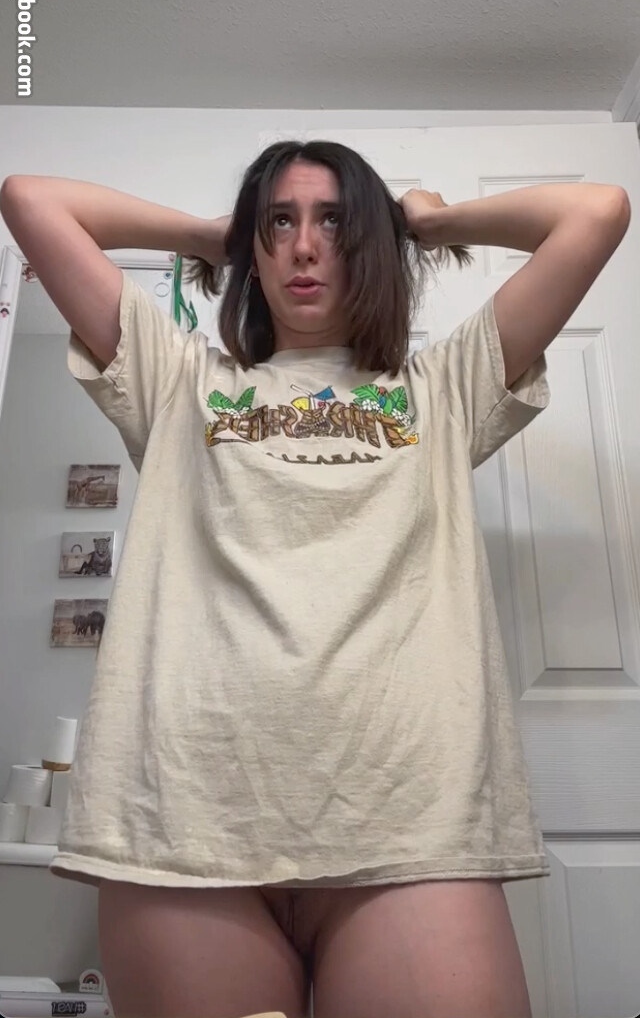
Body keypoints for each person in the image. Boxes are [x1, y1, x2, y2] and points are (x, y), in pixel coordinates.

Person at [0, 144, 629, 1018]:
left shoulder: (444, 388)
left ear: (368, 242)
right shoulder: (177, 380)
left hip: (410, 830)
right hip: (186, 828)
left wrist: (429, 222)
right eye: (279, 222)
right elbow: (30, 198)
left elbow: (596, 213)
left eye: (334, 221)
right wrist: (212, 236)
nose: (303, 245)